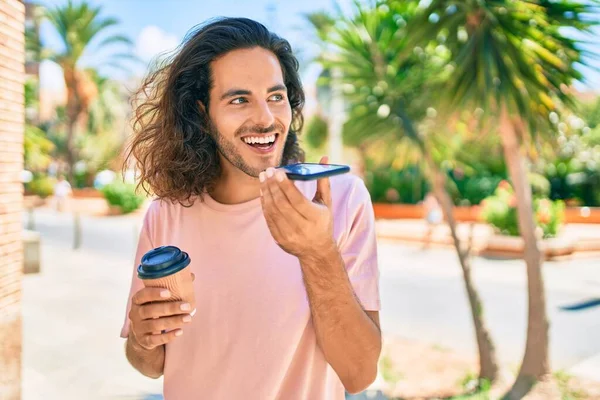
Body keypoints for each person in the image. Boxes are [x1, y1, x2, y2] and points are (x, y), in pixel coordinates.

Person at [121, 17, 381, 399]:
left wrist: (317, 252)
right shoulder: (167, 213)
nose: (266, 118)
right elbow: (150, 362)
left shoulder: (340, 199)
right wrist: (143, 340)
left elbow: (359, 374)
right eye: (239, 99)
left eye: (276, 97)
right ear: (201, 113)